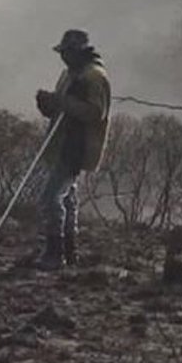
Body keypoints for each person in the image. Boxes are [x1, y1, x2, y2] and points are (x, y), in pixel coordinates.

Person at [34, 29, 111, 269]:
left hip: (78, 145)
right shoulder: (68, 75)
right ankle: (69, 251)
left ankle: (55, 252)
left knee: (50, 198)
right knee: (67, 198)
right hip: (62, 141)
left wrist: (62, 102)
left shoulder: (94, 77)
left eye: (67, 52)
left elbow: (95, 112)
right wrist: (47, 105)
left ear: (79, 52)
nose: (63, 57)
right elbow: (60, 110)